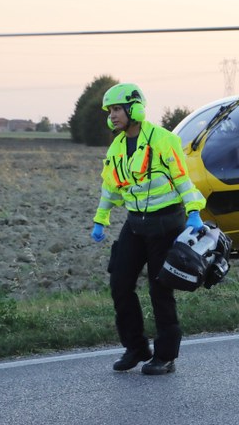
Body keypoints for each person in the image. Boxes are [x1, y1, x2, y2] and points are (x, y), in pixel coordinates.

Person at [89, 83, 206, 375]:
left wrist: (193, 212)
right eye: (110, 111)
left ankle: (165, 356)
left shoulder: (163, 140)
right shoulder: (116, 147)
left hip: (166, 223)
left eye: (117, 109)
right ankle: (136, 348)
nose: (112, 116)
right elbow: (111, 188)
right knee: (119, 283)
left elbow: (182, 179)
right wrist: (100, 219)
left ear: (134, 109)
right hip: (135, 224)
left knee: (159, 289)